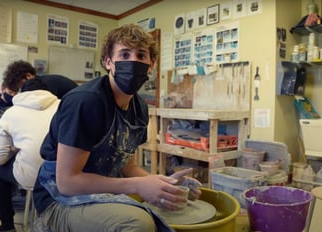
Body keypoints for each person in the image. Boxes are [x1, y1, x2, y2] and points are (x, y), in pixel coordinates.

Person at [32, 24, 202, 232]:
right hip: (59, 200)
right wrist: (137, 186)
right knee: (139, 223)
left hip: (101, 192)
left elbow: (128, 167)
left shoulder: (139, 107)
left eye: (141, 55)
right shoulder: (85, 102)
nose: (133, 61)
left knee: (162, 210)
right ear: (108, 62)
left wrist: (165, 185)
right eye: (124, 54)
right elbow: (68, 182)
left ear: (151, 65)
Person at [0, 79, 60, 232]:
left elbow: (0, 158)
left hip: (30, 176)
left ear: (21, 93)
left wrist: (16, 150)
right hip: (62, 175)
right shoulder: (64, 106)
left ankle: (7, 224)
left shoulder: (11, 112)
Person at [3, 60, 78, 99]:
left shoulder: (47, 84)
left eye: (22, 85)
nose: (23, 90)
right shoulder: (44, 81)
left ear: (28, 76)